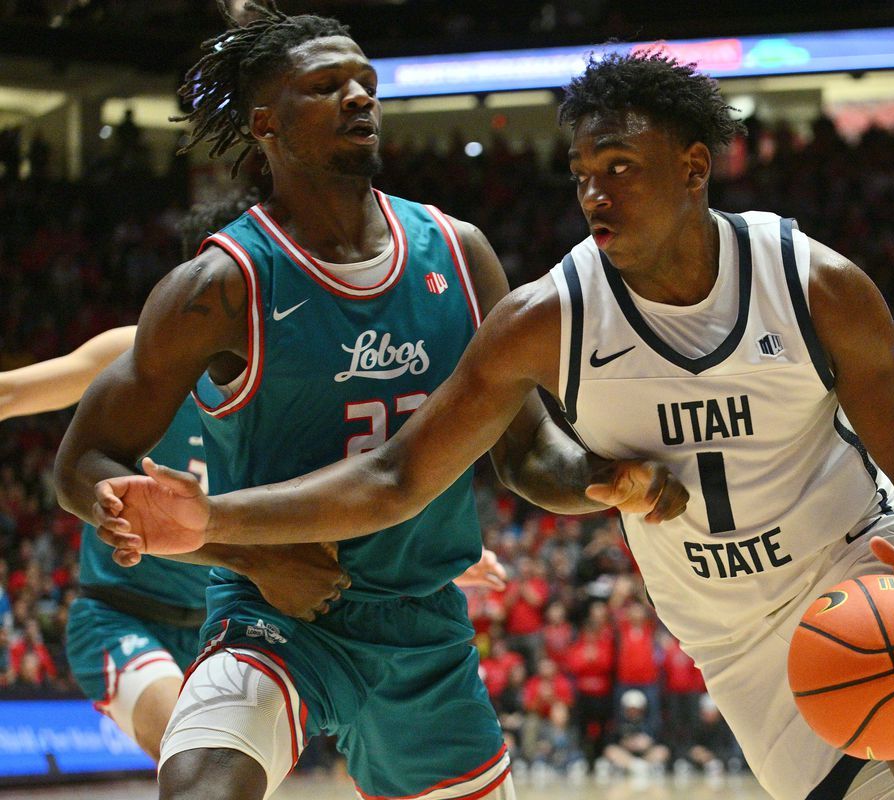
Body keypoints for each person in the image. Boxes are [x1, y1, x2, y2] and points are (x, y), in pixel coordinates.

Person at [93, 51, 894, 799]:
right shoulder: (548, 319)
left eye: (621, 167)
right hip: (728, 636)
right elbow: (396, 478)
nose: (596, 194)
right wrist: (217, 524)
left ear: (694, 167)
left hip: (853, 567)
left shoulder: (813, 284)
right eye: (583, 172)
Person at [56, 6, 680, 800]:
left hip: (424, 628)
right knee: (201, 789)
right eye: (325, 86)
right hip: (274, 615)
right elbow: (80, 466)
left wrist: (597, 478)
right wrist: (243, 554)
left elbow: (525, 452)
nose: (359, 97)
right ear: (266, 125)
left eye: (366, 83)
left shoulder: (460, 252)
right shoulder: (219, 286)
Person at [0, 193, 349, 761]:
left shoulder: (293, 382)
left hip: (224, 620)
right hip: (121, 614)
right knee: (192, 756)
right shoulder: (138, 355)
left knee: (232, 773)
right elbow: (13, 391)